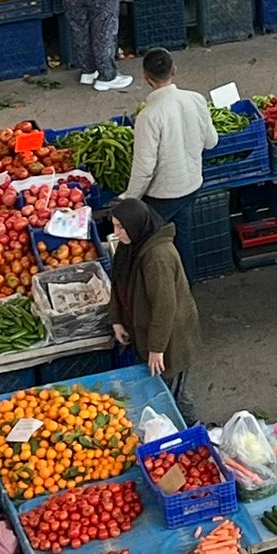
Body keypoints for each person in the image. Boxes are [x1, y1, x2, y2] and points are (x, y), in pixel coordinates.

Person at [105, 198, 201, 403]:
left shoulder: (158, 257)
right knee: (158, 389)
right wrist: (116, 319)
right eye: (114, 226)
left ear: (135, 224)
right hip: (146, 330)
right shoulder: (129, 245)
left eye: (121, 227)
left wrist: (157, 349)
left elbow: (164, 307)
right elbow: (118, 282)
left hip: (170, 336)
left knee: (173, 393)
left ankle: (189, 427)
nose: (116, 232)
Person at [122, 50, 218, 213]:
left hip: (163, 196)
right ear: (174, 70)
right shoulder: (196, 99)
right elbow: (211, 142)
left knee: (157, 237)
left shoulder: (148, 117)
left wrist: (131, 200)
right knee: (183, 235)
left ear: (146, 77)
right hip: (192, 185)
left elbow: (144, 169)